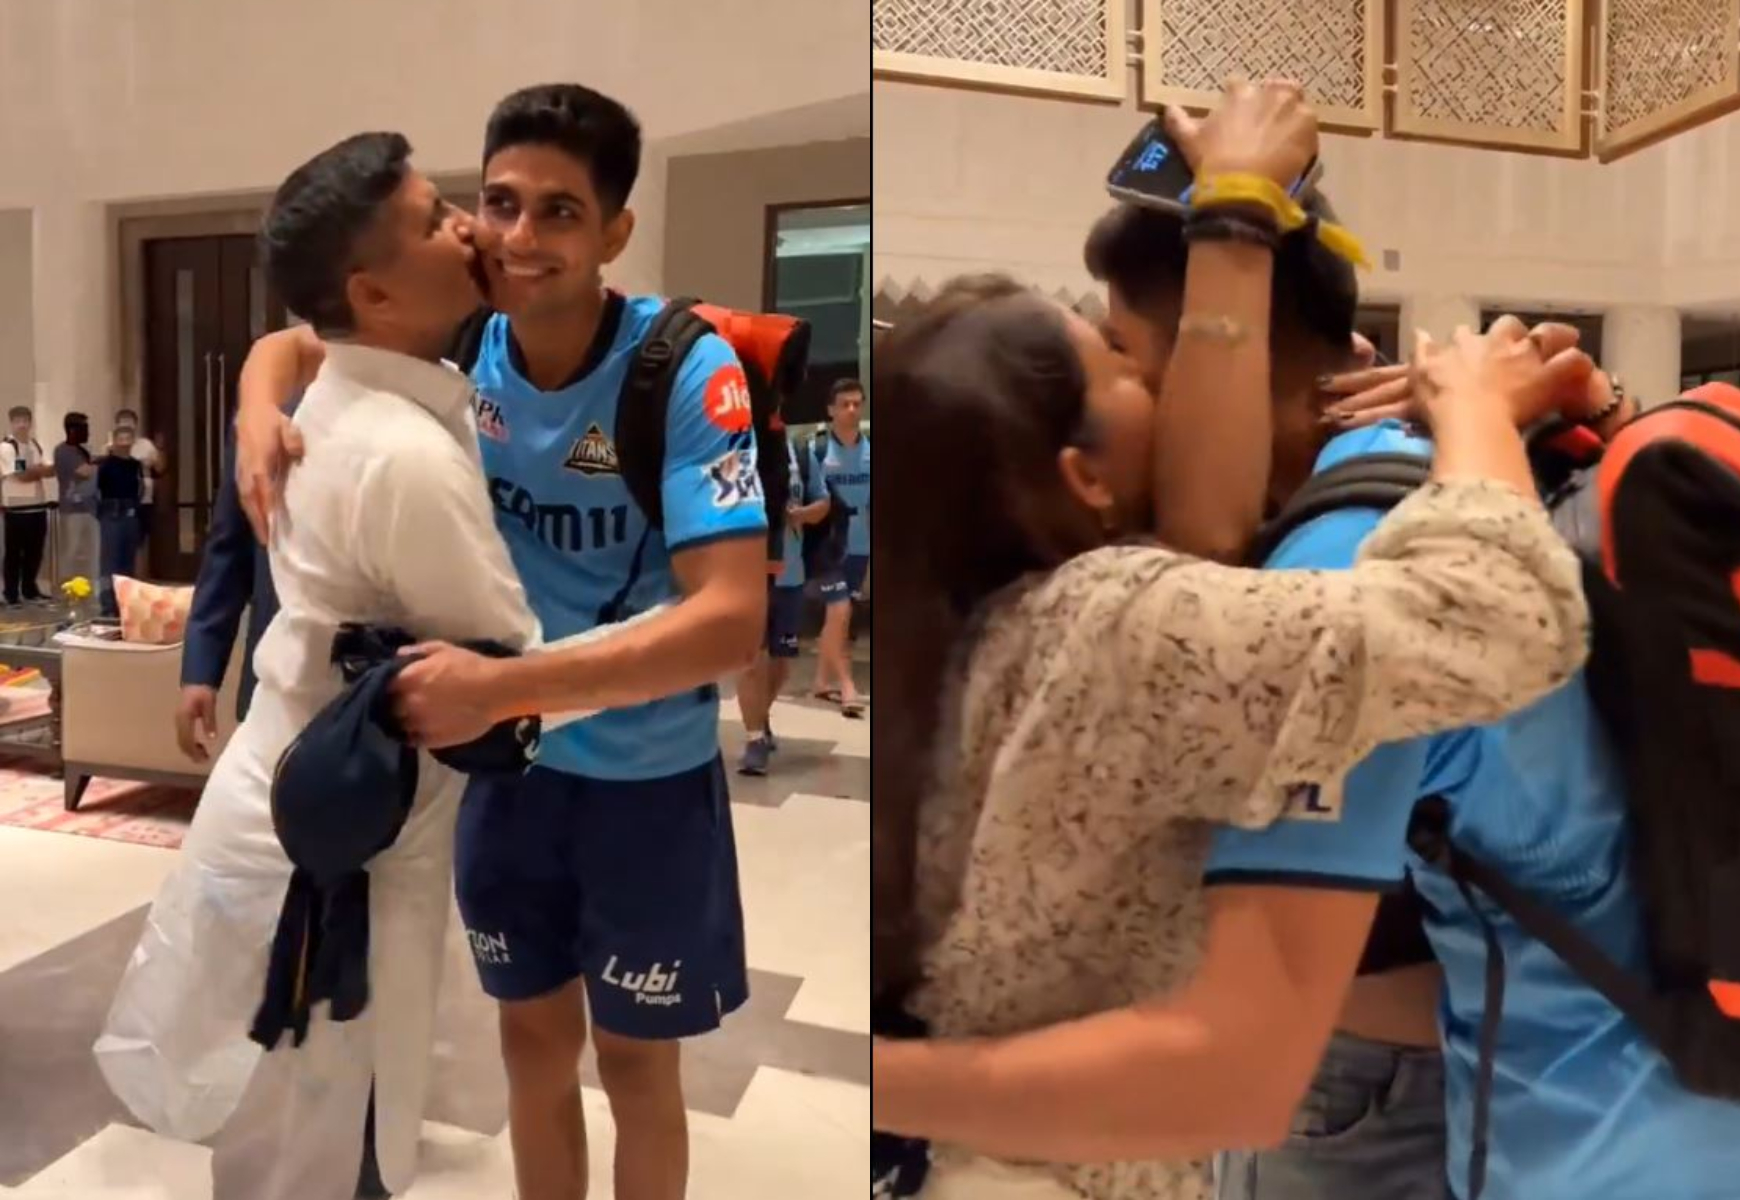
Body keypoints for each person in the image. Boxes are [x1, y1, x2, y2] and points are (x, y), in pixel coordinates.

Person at [868, 83, 1590, 1200]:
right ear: (1078, 475)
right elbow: (1485, 611)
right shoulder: (1130, 615)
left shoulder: (986, 621)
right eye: (1123, 364)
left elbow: (1236, 534)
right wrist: (1477, 406)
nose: (1160, 383)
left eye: (1124, 351)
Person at [234, 84, 767, 1200]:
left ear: (616, 231)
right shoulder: (461, 338)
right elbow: (296, 340)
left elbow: (730, 619)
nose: (517, 238)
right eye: (501, 201)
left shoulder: (688, 369)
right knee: (529, 1049)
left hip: (645, 784)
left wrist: (506, 684)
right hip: (505, 784)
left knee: (635, 1061)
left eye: (561, 213)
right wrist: (254, 407)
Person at [96, 130, 537, 1200]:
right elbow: (503, 672)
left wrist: (256, 394)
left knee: (292, 1084)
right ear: (373, 292)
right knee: (335, 1090)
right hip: (355, 815)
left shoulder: (345, 392)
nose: (477, 229)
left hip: (296, 778)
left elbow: (289, 347)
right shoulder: (406, 457)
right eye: (441, 218)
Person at [176, 416, 283, 763]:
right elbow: (229, 552)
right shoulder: (265, 413)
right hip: (272, 689)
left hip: (386, 694)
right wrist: (200, 672)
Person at [737, 430, 830, 775]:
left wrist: (803, 513)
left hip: (790, 573)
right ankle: (754, 739)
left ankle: (760, 716)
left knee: (782, 663)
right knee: (751, 659)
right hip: (748, 574)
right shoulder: (736, 446)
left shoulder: (800, 453)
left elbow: (823, 503)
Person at [810, 377, 868, 717]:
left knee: (840, 618)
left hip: (859, 546)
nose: (851, 410)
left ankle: (821, 681)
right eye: (844, 404)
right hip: (827, 547)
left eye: (857, 404)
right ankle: (848, 687)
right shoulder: (818, 451)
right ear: (831, 409)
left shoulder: (871, 452)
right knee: (839, 611)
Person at [0, 405, 55, 605]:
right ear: (11, 423)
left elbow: (50, 470)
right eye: (18, 421)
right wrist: (38, 470)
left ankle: (30, 589)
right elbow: (21, 475)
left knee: (35, 551)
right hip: (16, 508)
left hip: (38, 506)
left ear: (30, 423)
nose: (22, 425)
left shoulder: (34, 444)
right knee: (14, 553)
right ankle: (11, 593)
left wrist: (37, 470)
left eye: (25, 420)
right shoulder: (7, 447)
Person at [94, 427, 146, 617]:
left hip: (131, 514)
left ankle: (126, 602)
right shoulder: (105, 465)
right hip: (111, 515)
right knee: (110, 563)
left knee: (127, 562)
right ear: (114, 441)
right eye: (121, 439)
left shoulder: (135, 465)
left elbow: (140, 489)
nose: (124, 443)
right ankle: (108, 604)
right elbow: (93, 492)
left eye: (128, 438)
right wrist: (100, 513)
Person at [53, 411, 99, 593]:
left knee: (93, 551)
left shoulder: (83, 449)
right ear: (72, 430)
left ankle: (91, 588)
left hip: (91, 507)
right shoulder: (63, 450)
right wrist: (104, 462)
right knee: (70, 551)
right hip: (72, 509)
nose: (87, 432)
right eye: (84, 428)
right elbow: (85, 471)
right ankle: (65, 589)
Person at [113, 406, 164, 568]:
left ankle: (138, 576)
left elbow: (161, 467)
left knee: (140, 540)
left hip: (144, 499)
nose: (126, 427)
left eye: (130, 423)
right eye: (123, 423)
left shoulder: (146, 445)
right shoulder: (111, 447)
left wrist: (159, 452)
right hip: (121, 500)